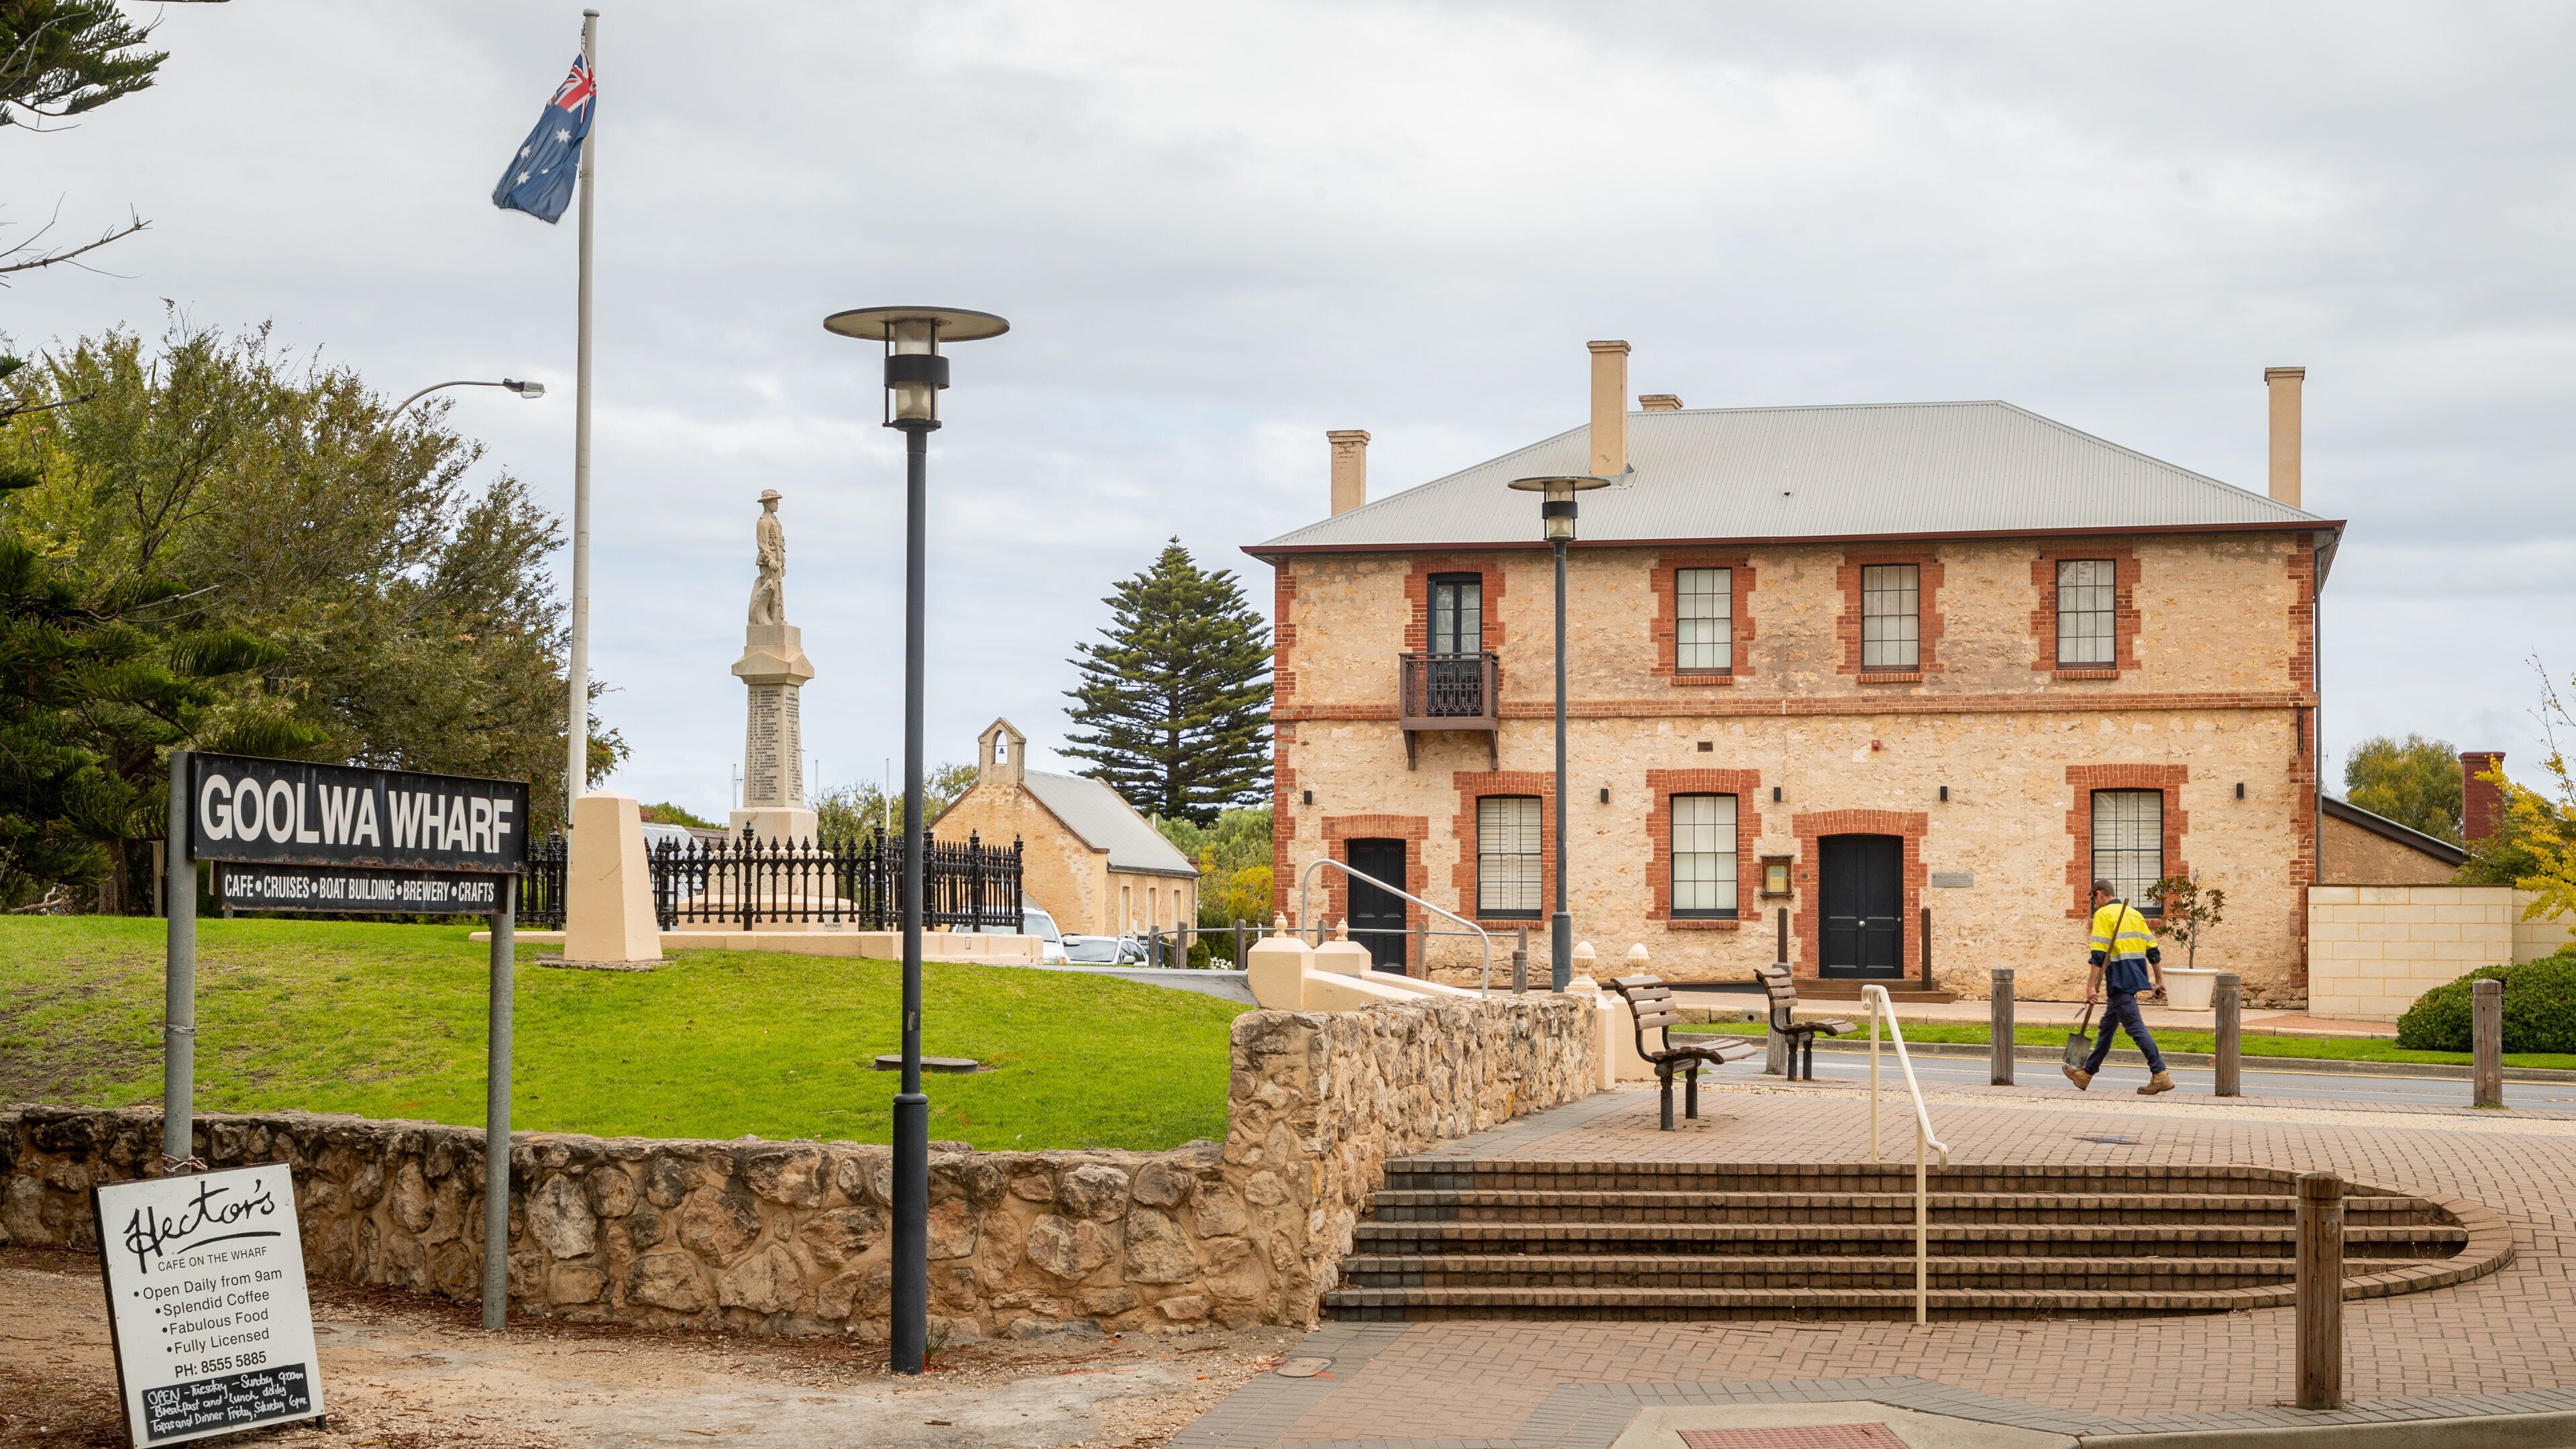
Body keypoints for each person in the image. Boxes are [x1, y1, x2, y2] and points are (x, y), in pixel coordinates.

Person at [2064, 879, 2174, 1095]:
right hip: (2133, 978)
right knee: (2106, 1029)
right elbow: (2153, 952)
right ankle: (2086, 1074)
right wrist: (2159, 981)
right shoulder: (2135, 914)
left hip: (2119, 981)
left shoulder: (2104, 915)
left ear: (2099, 895)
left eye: (2093, 900)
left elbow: (2098, 955)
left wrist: (2090, 987)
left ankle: (2160, 1074)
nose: (2095, 905)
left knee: (2136, 1028)